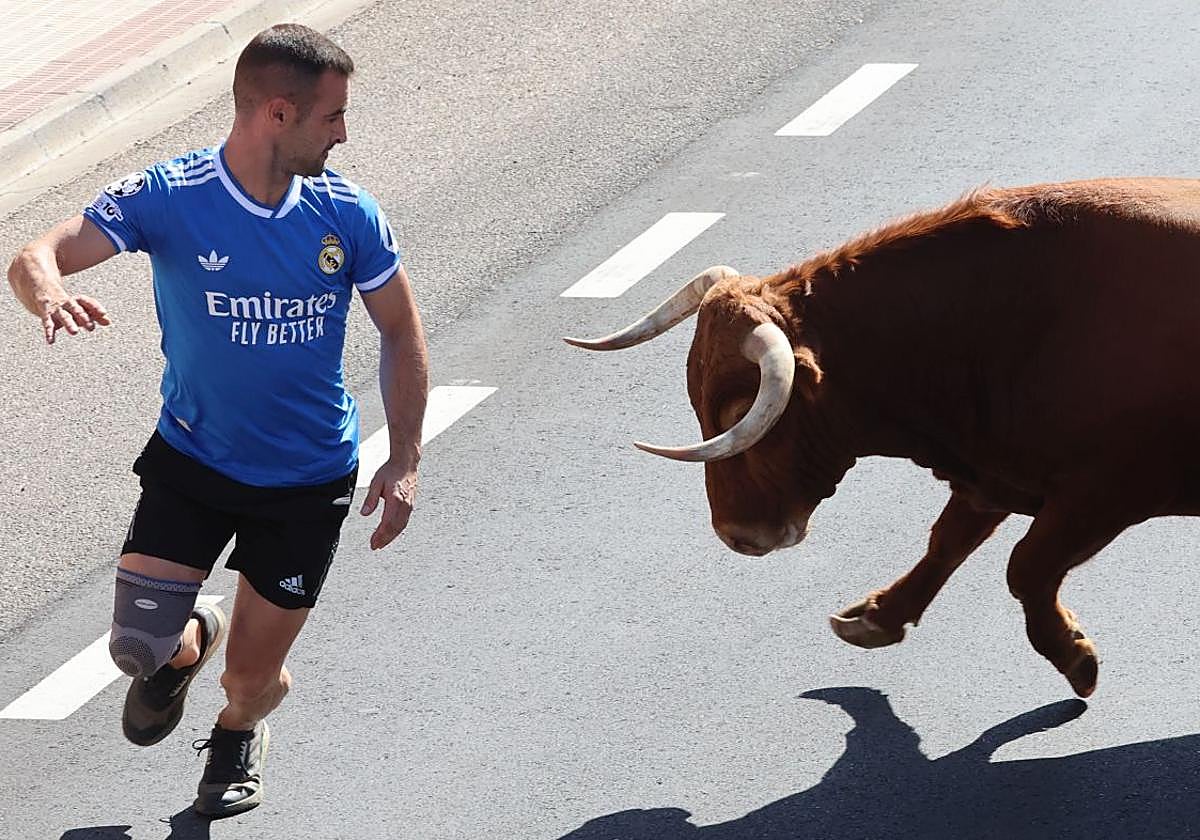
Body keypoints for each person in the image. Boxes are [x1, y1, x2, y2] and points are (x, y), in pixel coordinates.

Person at [6, 23, 428, 818]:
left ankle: (237, 731)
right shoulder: (171, 195)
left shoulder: (347, 214)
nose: (344, 132)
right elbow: (35, 255)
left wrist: (403, 458)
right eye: (332, 116)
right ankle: (191, 631)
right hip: (194, 461)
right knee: (138, 650)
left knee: (250, 680)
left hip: (307, 482)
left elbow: (402, 332)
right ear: (276, 112)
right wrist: (50, 295)